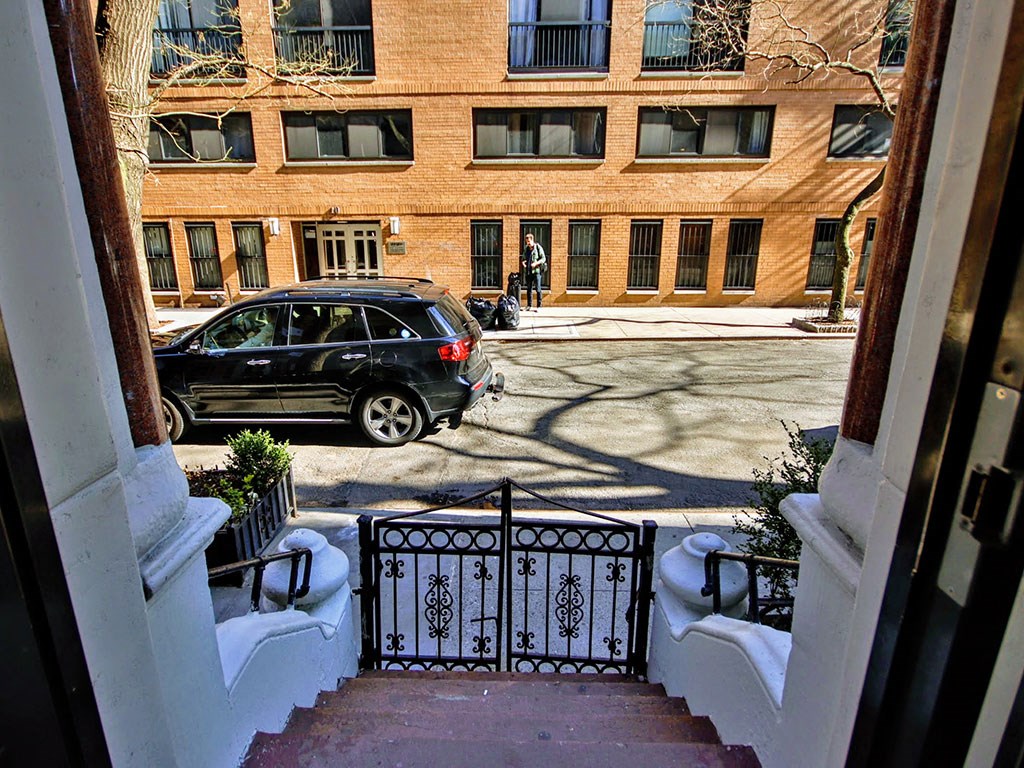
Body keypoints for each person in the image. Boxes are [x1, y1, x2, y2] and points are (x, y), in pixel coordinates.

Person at [520, 233, 547, 310]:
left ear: (532, 240)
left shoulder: (538, 247)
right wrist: (523, 263)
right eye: (527, 242)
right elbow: (523, 259)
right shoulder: (526, 249)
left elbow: (543, 258)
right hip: (528, 271)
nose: (528, 243)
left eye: (529, 241)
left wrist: (536, 263)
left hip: (536, 271)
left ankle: (539, 306)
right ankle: (529, 305)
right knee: (529, 289)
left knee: (538, 289)